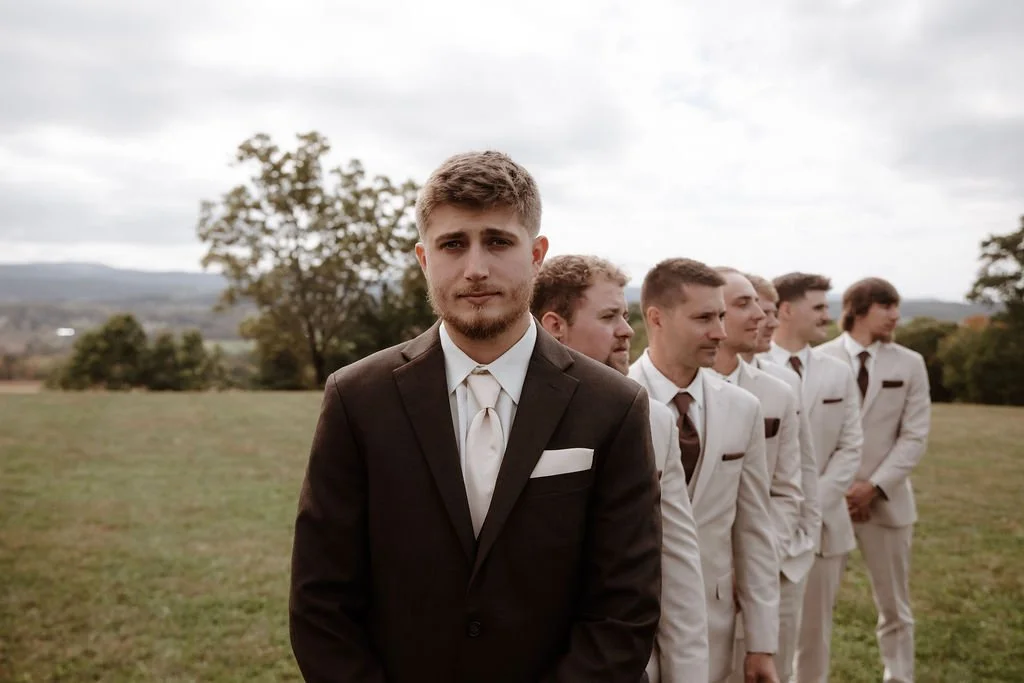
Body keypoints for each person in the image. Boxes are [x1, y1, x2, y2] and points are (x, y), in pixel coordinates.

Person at [288, 151, 662, 683]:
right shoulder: (356, 398)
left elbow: (625, 604)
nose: (476, 268)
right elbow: (321, 599)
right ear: (424, 258)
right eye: (453, 244)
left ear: (536, 254)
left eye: (498, 241)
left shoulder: (613, 404)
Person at [532, 254, 709, 683]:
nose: (627, 330)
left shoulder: (654, 419)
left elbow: (677, 565)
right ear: (555, 325)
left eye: (626, 315)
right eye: (610, 316)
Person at [629, 258, 780, 683]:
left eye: (720, 316)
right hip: (626, 622)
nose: (720, 331)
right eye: (703, 318)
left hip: (713, 625)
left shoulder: (743, 408)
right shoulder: (613, 402)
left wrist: (761, 643)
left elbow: (754, 529)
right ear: (656, 319)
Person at [816, 277, 931, 683]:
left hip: (888, 503)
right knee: (815, 607)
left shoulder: (910, 363)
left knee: (895, 606)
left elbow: (915, 437)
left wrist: (873, 487)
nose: (897, 316)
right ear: (860, 309)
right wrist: (839, 490)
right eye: (888, 307)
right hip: (830, 504)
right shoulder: (817, 359)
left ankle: (899, 677)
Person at [764, 273, 863, 683]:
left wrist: (813, 501)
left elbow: (852, 444)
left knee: (816, 634)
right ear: (786, 309)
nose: (829, 315)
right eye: (819, 307)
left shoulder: (838, 371)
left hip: (826, 526)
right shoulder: (753, 367)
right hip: (768, 528)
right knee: (768, 637)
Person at [709, 269, 802, 683]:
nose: (764, 318)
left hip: (761, 571)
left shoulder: (779, 393)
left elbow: (786, 488)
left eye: (760, 306)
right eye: (743, 305)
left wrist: (759, 565)